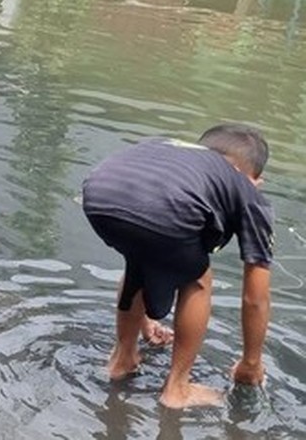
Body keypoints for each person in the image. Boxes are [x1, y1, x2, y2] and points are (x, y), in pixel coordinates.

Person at [81, 125, 274, 409]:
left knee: (138, 258)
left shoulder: (171, 150)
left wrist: (146, 322)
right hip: (164, 209)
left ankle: (122, 359)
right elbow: (255, 298)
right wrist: (251, 363)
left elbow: (147, 215)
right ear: (254, 179)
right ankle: (177, 388)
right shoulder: (246, 189)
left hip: (99, 192)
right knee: (198, 278)